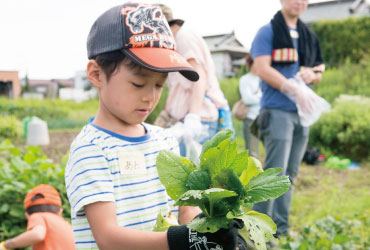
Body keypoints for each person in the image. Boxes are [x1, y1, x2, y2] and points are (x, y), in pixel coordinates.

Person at [64, 3, 243, 250]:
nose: (150, 96)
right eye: (138, 84)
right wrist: (181, 240)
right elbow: (107, 237)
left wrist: (209, 232)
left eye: (159, 85)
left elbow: (185, 211)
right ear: (96, 74)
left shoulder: (165, 140)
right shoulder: (91, 149)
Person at [250, 0, 325, 237]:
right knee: (275, 174)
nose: (299, 2)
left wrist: (311, 74)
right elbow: (262, 68)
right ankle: (258, 231)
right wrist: (290, 87)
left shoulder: (307, 34)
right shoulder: (268, 31)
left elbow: (319, 71)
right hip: (277, 111)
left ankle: (280, 229)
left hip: (301, 113)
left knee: (290, 174)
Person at [158, 4, 233, 156]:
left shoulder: (183, 37)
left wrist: (194, 116)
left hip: (198, 120)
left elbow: (199, 75)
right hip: (185, 119)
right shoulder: (174, 44)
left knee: (194, 175)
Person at [0, 184, 75, 250]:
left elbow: (38, 234)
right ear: (60, 212)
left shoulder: (37, 216)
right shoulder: (68, 226)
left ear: (27, 215)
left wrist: (6, 245)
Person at [239, 54, 262, 158]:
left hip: (265, 117)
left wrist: (256, 97)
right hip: (251, 119)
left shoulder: (264, 78)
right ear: (250, 64)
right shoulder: (245, 79)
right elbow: (247, 99)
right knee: (252, 154)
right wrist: (262, 98)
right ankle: (251, 174)